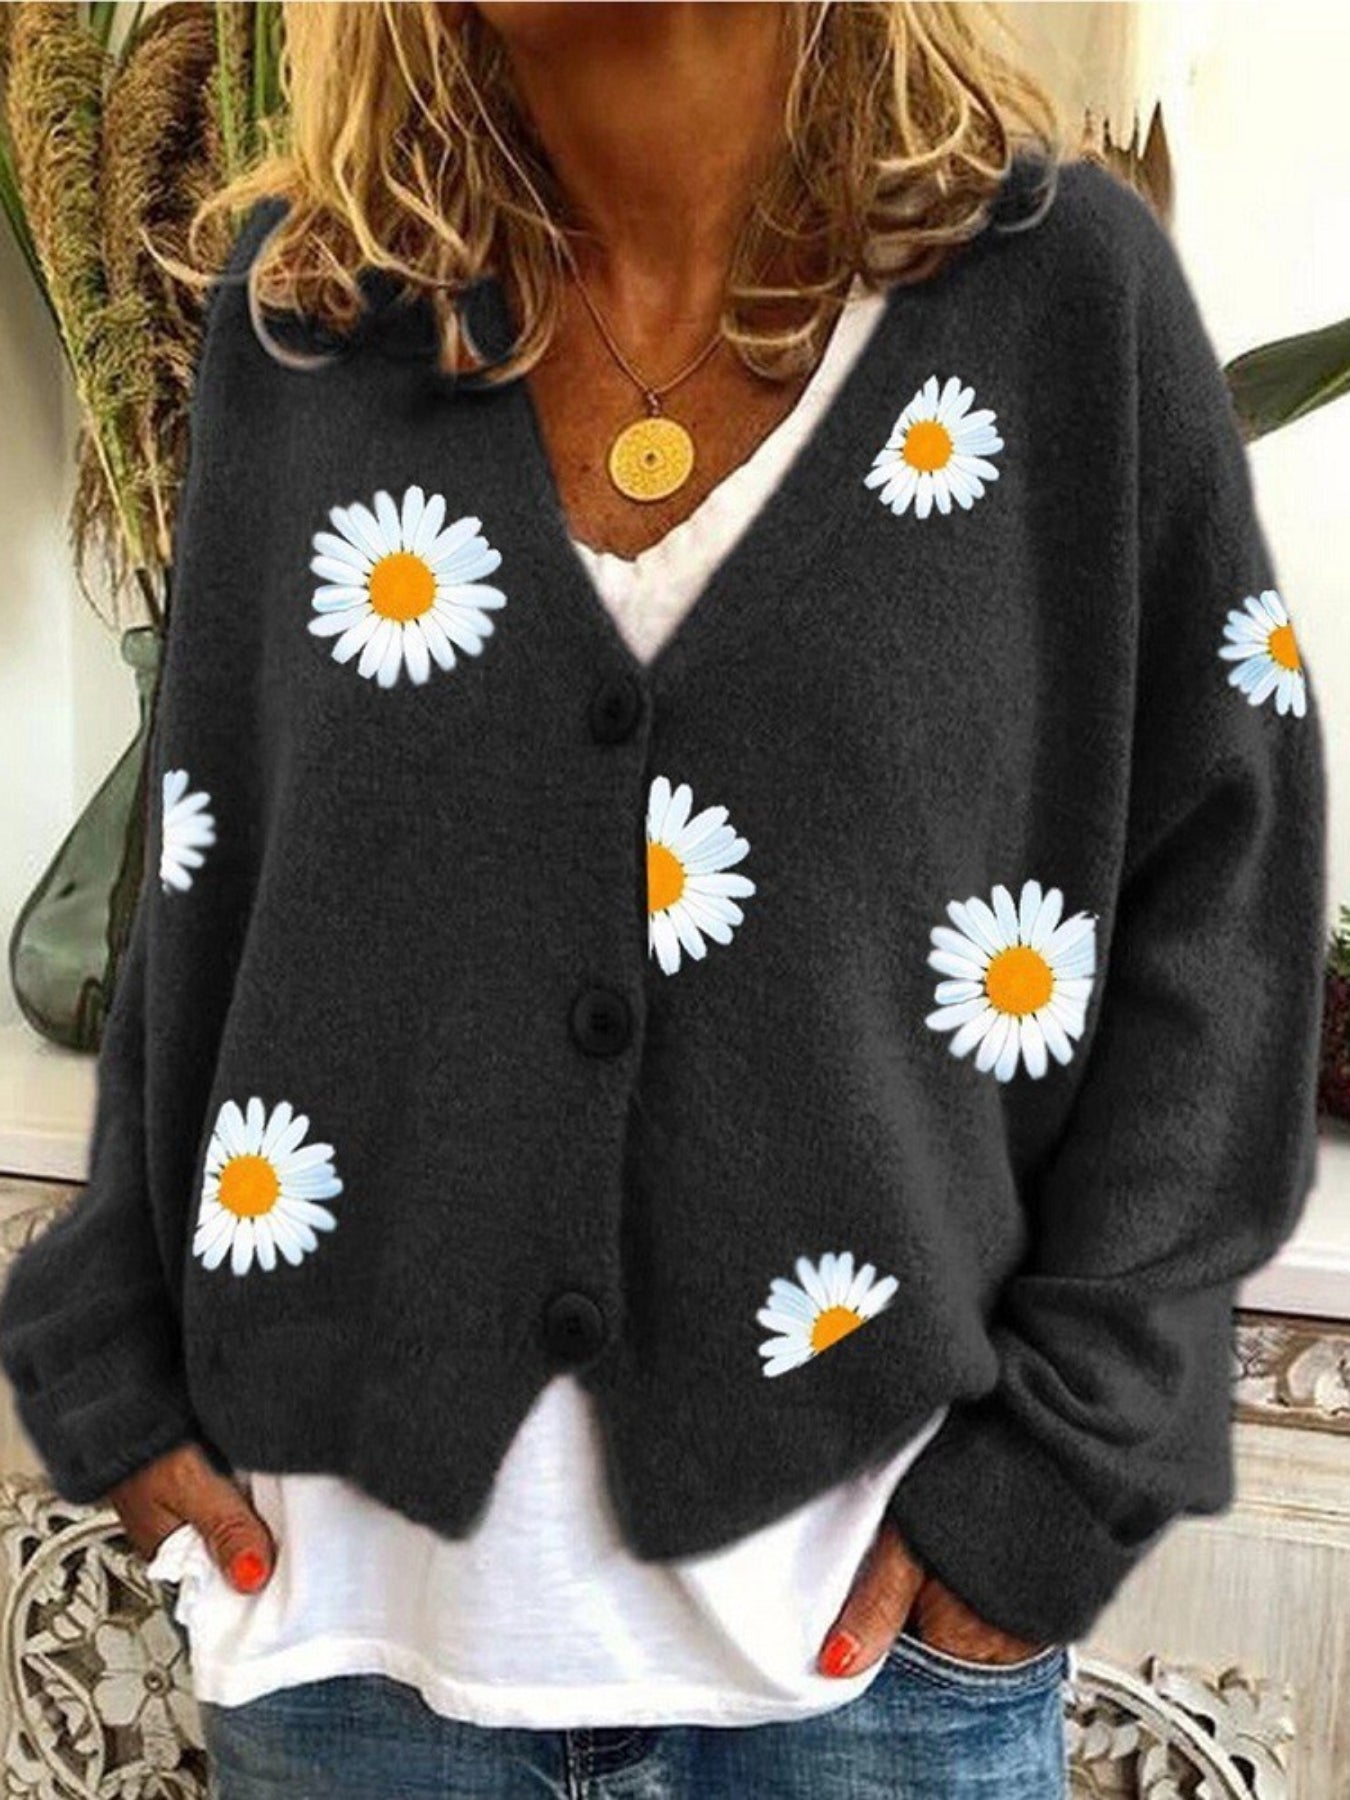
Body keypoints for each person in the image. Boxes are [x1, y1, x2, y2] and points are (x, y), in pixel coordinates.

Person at [0, 5, 1327, 1797]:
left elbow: (1220, 896)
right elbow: (213, 854)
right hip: (346, 1655)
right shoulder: (308, 315)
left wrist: (1062, 1469)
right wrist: (112, 1340)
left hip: (861, 1687)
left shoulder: (1055, 300)